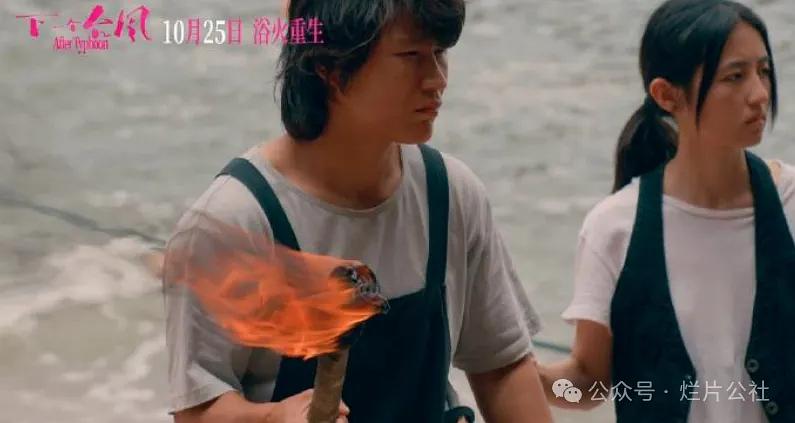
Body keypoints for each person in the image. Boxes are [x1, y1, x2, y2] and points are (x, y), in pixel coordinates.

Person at [163, 0, 553, 422]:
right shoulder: (234, 222)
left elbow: (501, 366)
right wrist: (273, 418)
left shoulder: (451, 195)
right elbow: (197, 410)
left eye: (440, 52)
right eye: (411, 55)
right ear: (329, 67)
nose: (436, 79)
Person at [536, 0, 795, 422]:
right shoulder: (615, 226)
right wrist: (522, 374)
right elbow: (589, 383)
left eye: (763, 71)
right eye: (735, 76)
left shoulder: (790, 202)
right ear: (666, 95)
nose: (760, 94)